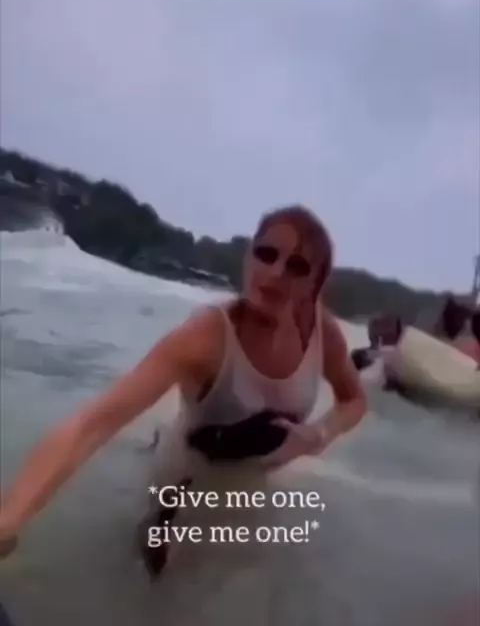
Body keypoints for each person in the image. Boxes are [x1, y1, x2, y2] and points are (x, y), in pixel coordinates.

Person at [0, 205, 366, 564]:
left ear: (316, 283)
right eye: (266, 254)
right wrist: (10, 520)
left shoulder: (321, 333)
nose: (275, 272)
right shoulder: (205, 337)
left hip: (249, 481)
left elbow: (354, 400)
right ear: (248, 256)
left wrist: (320, 434)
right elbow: (93, 424)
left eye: (297, 266)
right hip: (182, 479)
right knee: (151, 571)